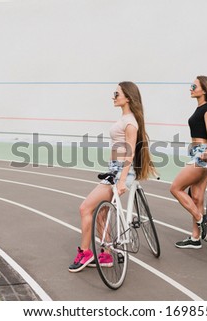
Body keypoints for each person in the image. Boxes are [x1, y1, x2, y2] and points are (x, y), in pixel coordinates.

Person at [69, 81, 157, 272]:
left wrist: (123, 179)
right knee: (101, 214)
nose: (113, 97)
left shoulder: (130, 123)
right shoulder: (125, 119)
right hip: (114, 169)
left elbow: (130, 153)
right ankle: (107, 254)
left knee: (85, 208)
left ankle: (85, 252)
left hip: (121, 172)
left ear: (128, 97)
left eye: (116, 94)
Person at [170, 75, 207, 249]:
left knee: (175, 188)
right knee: (196, 198)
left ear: (204, 90)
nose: (190, 88)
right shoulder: (201, 108)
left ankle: (201, 218)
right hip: (197, 152)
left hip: (201, 154)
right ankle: (195, 238)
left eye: (193, 86)